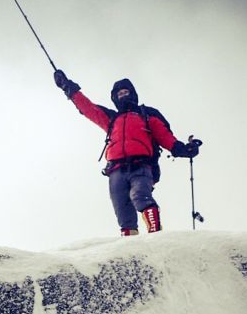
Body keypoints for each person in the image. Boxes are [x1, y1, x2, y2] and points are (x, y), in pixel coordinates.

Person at [53, 70, 201, 235]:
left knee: (140, 195)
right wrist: (68, 87)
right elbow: (89, 109)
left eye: (126, 92)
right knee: (122, 210)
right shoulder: (112, 118)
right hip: (115, 169)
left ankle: (155, 233)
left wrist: (182, 149)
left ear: (133, 94)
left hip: (141, 165)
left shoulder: (146, 114)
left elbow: (165, 136)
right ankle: (130, 243)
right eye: (120, 93)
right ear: (115, 98)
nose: (123, 95)